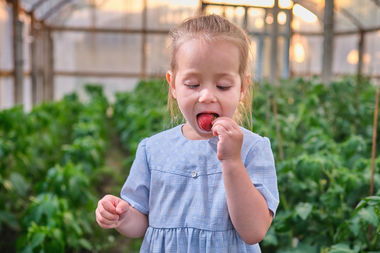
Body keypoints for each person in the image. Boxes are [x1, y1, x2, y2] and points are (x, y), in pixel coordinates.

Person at [95, 14, 279, 252]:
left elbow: (254, 231)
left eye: (223, 86)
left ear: (242, 87)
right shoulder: (153, 149)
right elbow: (140, 223)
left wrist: (232, 161)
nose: (206, 96)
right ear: (173, 85)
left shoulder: (252, 149)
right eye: (193, 84)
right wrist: (120, 215)